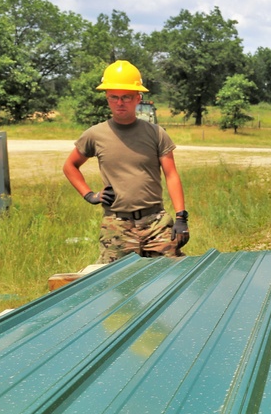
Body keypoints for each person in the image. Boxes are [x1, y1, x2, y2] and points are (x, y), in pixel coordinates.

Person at [63, 60, 190, 263]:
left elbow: (171, 174)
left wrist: (181, 217)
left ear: (138, 98)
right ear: (107, 98)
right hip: (117, 225)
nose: (120, 103)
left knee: (171, 277)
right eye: (114, 97)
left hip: (156, 223)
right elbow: (70, 166)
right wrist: (89, 195)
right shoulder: (95, 135)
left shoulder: (156, 133)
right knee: (115, 285)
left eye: (126, 97)